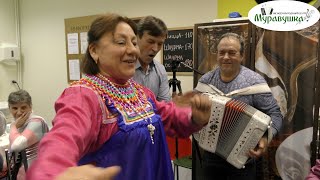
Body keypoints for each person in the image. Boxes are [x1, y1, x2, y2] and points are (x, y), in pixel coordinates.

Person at [26, 13, 211, 180]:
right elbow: (62, 139)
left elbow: (167, 116)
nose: (133, 50)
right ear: (94, 51)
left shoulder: (139, 92)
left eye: (134, 42)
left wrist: (193, 116)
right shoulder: (83, 95)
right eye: (121, 42)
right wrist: (54, 173)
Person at [194, 32, 283, 180]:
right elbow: (193, 112)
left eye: (232, 52)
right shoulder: (206, 81)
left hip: (243, 158)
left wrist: (266, 137)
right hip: (211, 156)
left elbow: (275, 114)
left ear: (241, 56)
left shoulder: (254, 82)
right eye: (222, 52)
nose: (226, 57)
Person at [8, 89, 49, 180]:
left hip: (37, 174)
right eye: (15, 108)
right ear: (9, 108)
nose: (19, 112)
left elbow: (16, 146)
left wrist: (13, 127)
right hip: (21, 173)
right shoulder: (18, 123)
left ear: (30, 107)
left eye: (23, 107)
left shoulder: (37, 121)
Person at [133, 16, 171, 102]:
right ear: (137, 38)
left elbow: (165, 106)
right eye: (150, 42)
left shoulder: (160, 70)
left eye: (160, 44)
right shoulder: (122, 69)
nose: (155, 48)